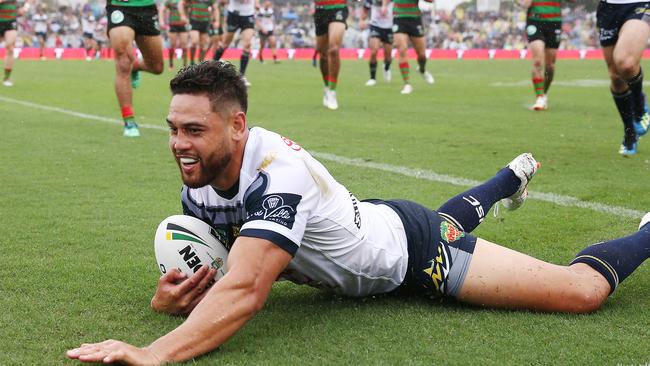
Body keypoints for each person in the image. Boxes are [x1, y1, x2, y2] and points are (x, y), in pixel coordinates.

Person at [67, 61, 650, 365]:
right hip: (372, 227)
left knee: (578, 294)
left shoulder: (278, 174)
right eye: (173, 129)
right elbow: (224, 265)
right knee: (434, 221)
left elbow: (245, 289)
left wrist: (154, 351)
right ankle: (508, 179)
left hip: (410, 255)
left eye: (194, 129)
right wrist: (175, 295)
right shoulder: (200, 179)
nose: (179, 143)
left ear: (238, 125)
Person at [596, 0, 650, 156]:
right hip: (608, 8)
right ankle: (630, 133)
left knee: (625, 63)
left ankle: (640, 108)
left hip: (640, 3)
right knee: (616, 77)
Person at [106, 0, 164, 137]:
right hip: (119, 6)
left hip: (146, 8)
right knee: (123, 62)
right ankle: (129, 121)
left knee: (156, 67)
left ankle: (135, 67)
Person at [383, 0, 434, 94]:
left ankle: (422, 69)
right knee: (402, 49)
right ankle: (407, 84)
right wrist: (384, 6)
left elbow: (431, 1)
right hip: (399, 18)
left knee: (422, 55)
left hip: (414, 19)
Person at [519, 0, 561, 111]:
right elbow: (525, 4)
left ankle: (544, 93)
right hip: (535, 21)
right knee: (537, 61)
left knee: (550, 65)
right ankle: (539, 97)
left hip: (554, 21)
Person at [211, 0, 258, 87]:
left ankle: (241, 76)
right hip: (234, 15)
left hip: (248, 15)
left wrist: (257, 3)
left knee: (247, 44)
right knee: (224, 44)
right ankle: (210, 69)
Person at [314, 0, 347, 109]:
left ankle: (332, 91)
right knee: (323, 54)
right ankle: (327, 87)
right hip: (321, 10)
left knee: (333, 49)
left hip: (338, 7)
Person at [361, 0, 393, 86]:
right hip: (375, 26)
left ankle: (386, 67)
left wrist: (384, 5)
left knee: (388, 56)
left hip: (389, 27)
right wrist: (362, 20)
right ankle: (372, 78)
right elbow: (365, 9)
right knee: (374, 51)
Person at [179, 0, 219, 65]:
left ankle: (200, 64)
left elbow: (215, 8)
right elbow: (181, 4)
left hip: (205, 23)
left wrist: (217, 20)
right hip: (194, 21)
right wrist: (182, 15)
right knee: (194, 42)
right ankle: (192, 62)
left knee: (203, 47)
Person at [0, 0, 26, 87]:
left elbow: (18, 10)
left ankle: (6, 78)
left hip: (10, 22)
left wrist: (20, 11)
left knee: (10, 48)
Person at [163, 0, 189, 69]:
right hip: (173, 25)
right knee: (173, 44)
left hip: (183, 25)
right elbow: (163, 10)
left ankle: (185, 65)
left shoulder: (185, 1)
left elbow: (190, 8)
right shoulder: (170, 1)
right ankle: (171, 63)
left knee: (184, 44)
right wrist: (164, 21)